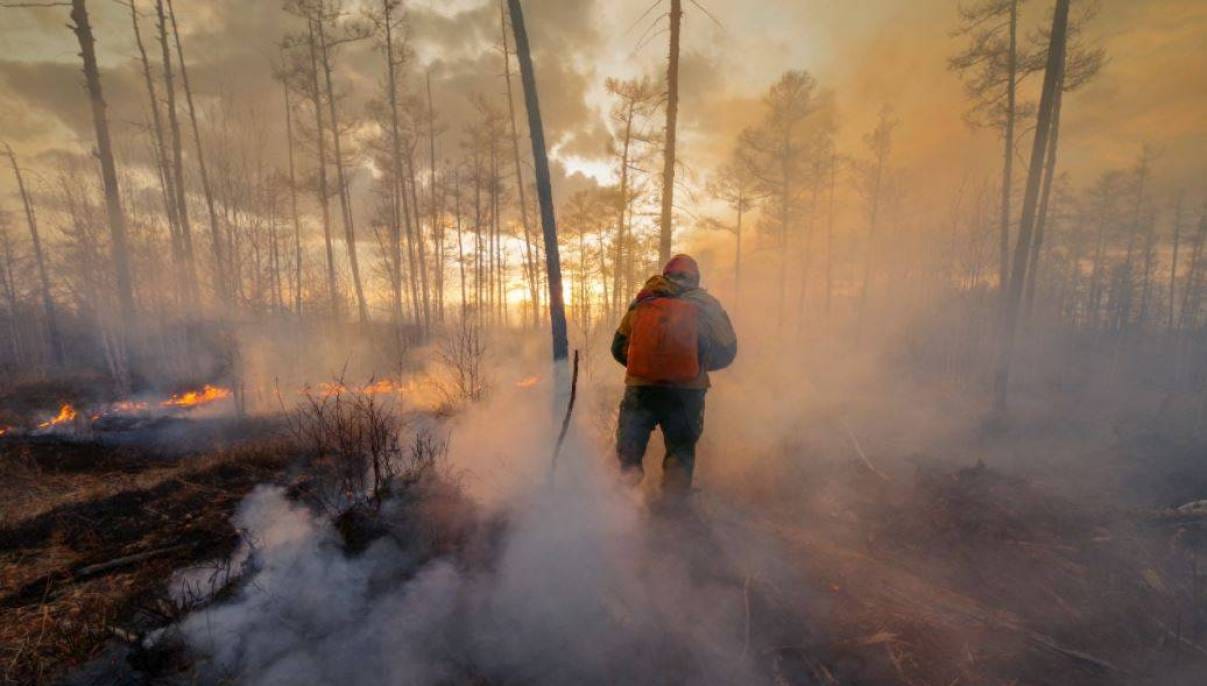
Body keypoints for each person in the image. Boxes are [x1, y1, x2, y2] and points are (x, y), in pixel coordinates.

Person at [611, 254, 737, 494]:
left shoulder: (645, 300)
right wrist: (695, 365)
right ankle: (673, 510)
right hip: (687, 391)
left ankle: (623, 504)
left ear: (665, 275)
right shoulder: (706, 304)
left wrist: (645, 365)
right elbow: (728, 350)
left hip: (642, 388)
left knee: (630, 447)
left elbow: (617, 348)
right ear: (696, 279)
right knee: (681, 450)